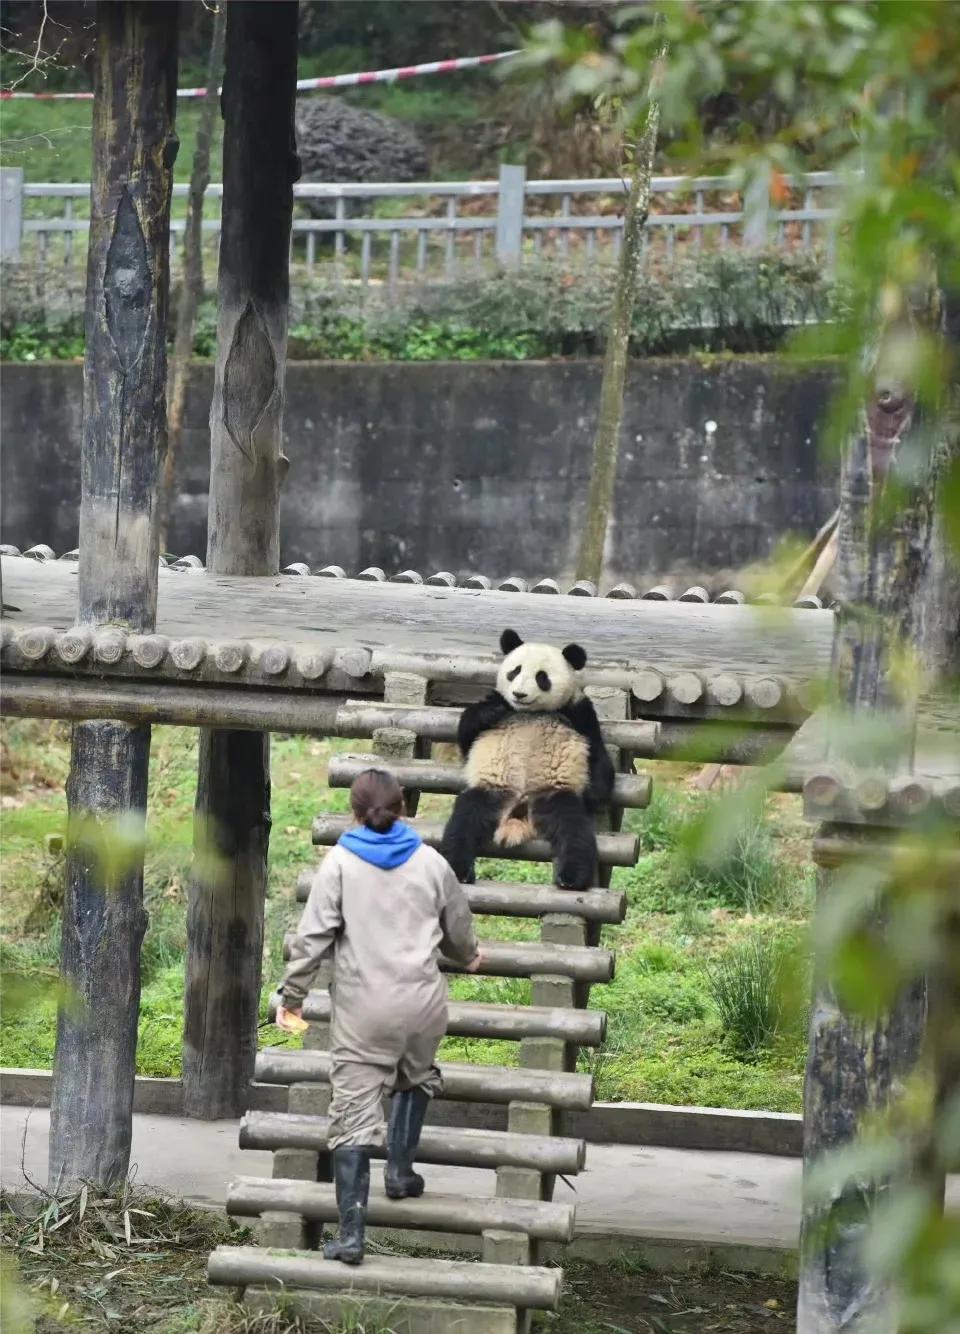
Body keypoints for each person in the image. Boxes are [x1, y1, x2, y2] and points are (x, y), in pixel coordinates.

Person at [276, 767, 481, 1266]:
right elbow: (458, 928)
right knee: (416, 1074)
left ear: (354, 811)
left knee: (353, 1114)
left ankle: (351, 1235)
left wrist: (293, 994)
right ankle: (401, 1173)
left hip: (367, 1009)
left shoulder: (340, 865)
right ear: (404, 808)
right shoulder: (432, 863)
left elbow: (314, 938)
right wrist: (469, 953)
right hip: (423, 1005)